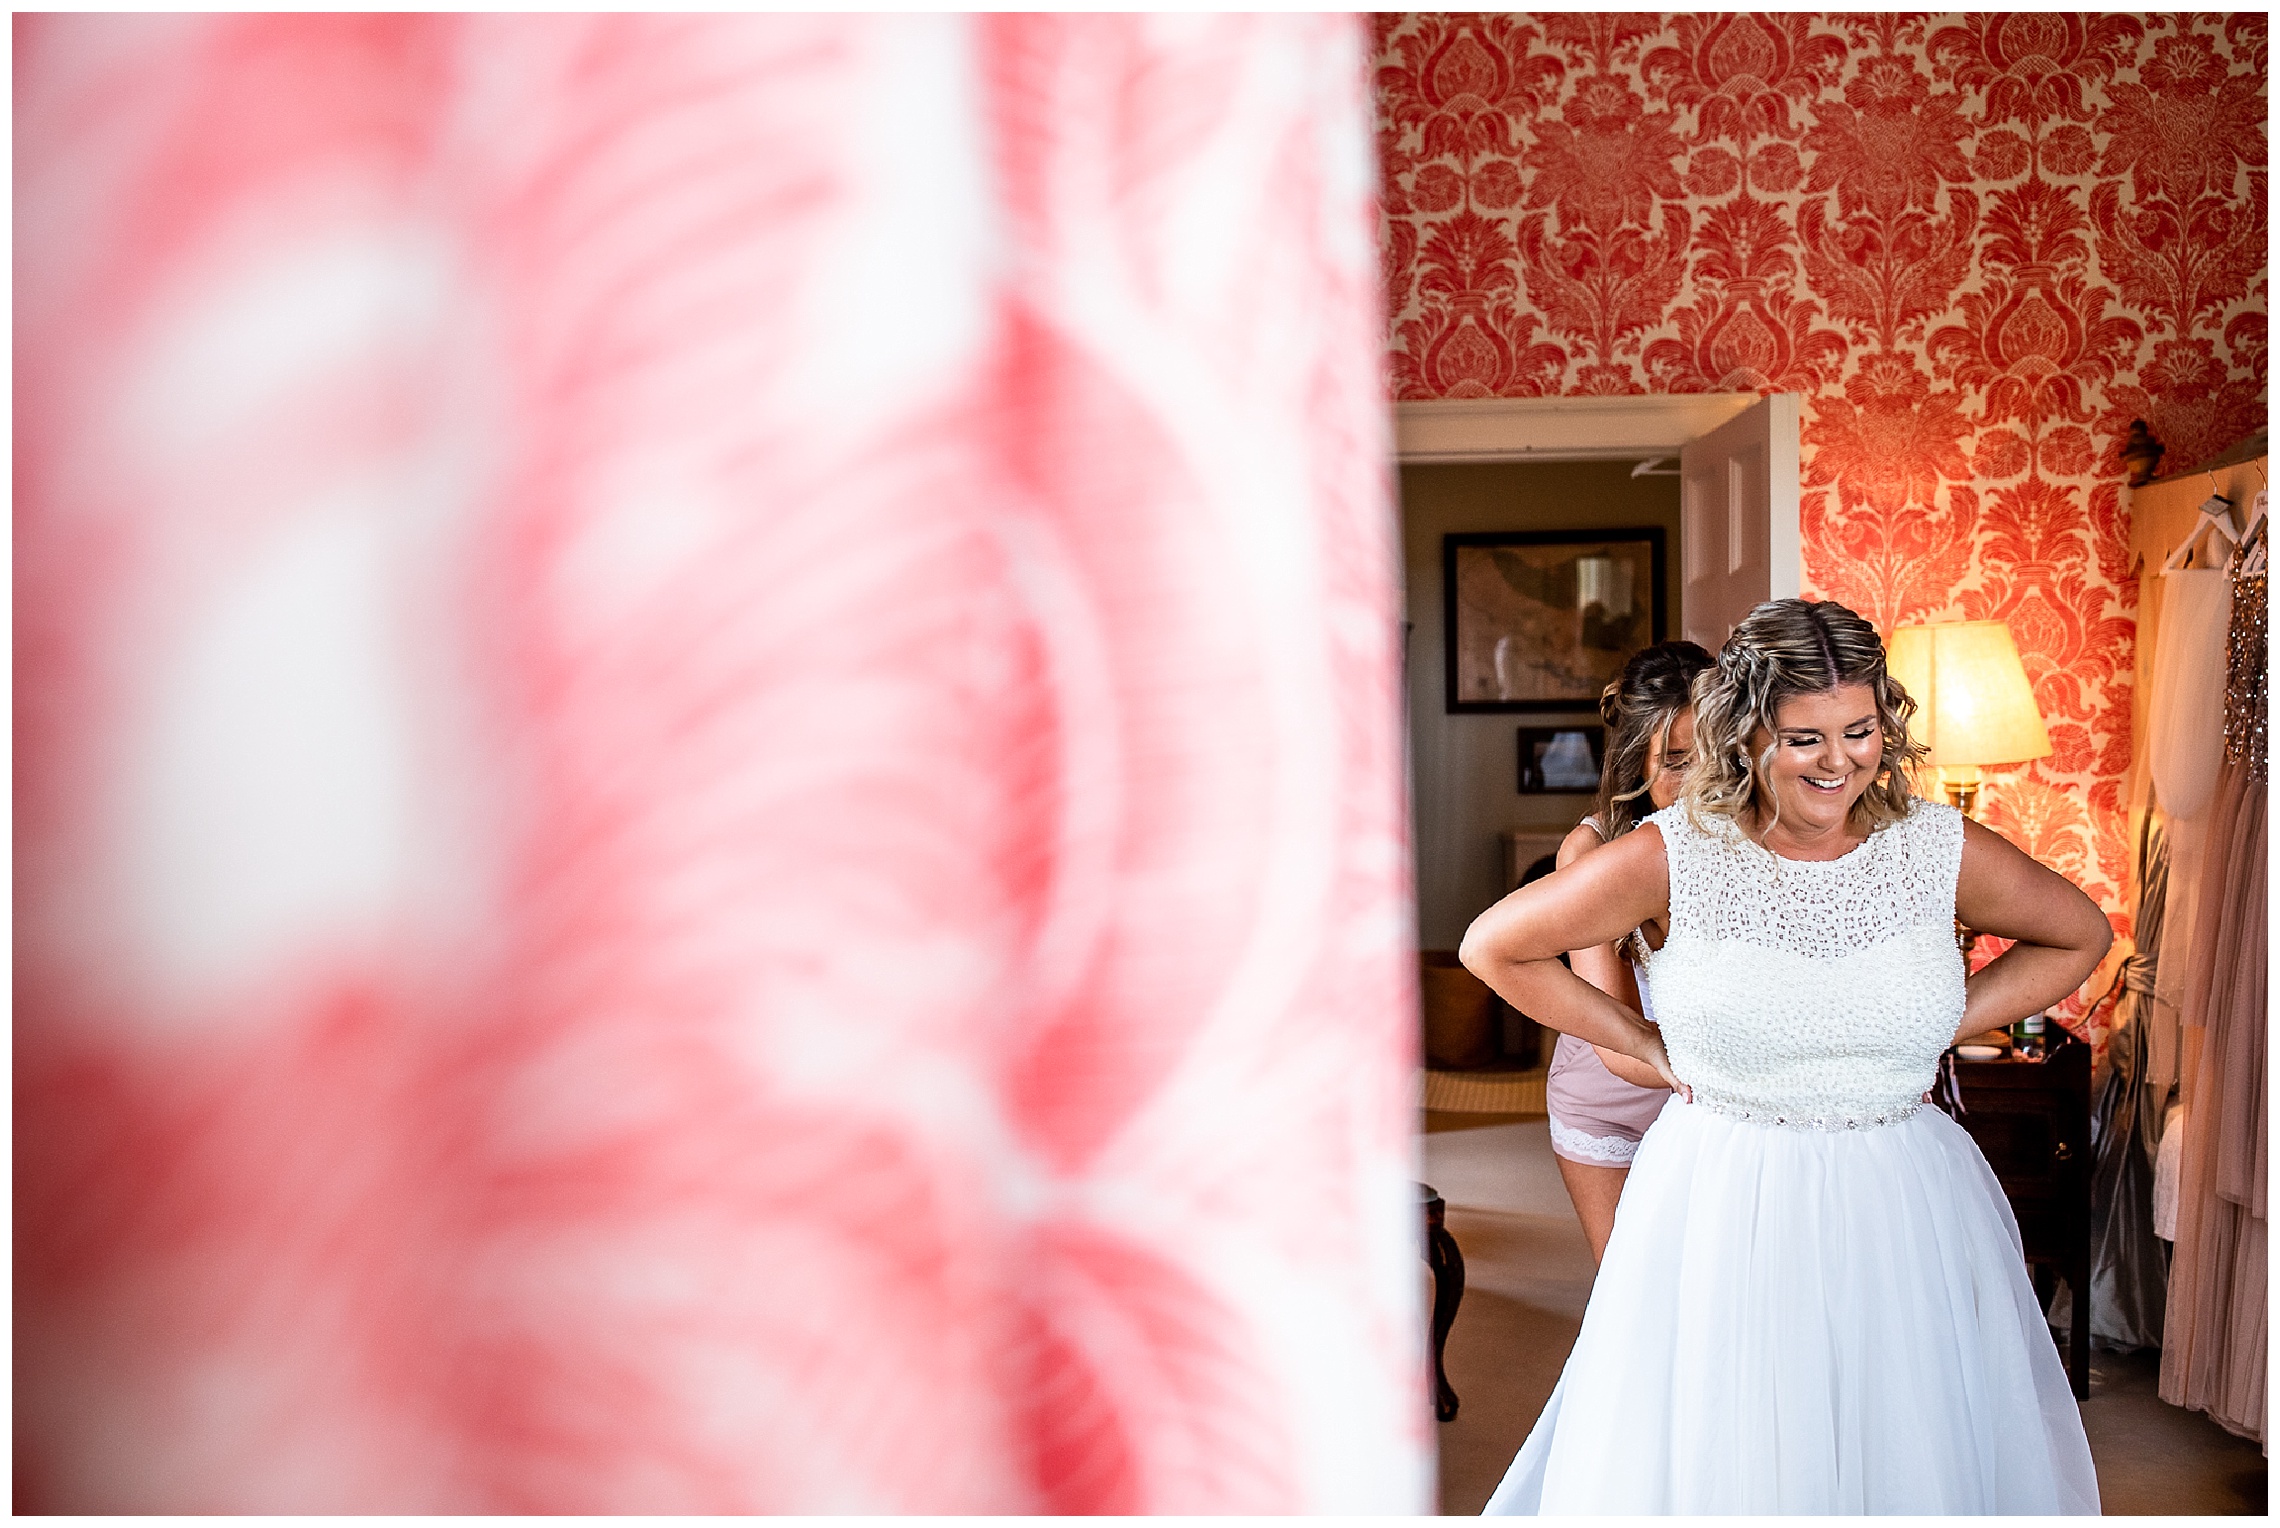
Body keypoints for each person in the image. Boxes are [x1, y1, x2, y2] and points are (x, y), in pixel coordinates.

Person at [1461, 598, 2107, 1515]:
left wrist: (1946, 1017)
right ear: (1746, 733)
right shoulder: (1672, 853)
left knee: (1905, 1444)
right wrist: (1639, 1039)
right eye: (1805, 738)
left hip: (1905, 1200)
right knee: (1735, 1454)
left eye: (1860, 730)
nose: (1839, 762)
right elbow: (1495, 945)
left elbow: (2080, 933)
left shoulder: (1932, 846)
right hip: (1726, 1198)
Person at [1544, 640, 1713, 1263]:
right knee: (1633, 1298)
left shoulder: (1765, 841)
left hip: (1717, 1117)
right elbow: (1617, 1044)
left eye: (1713, 755)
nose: (1699, 782)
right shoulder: (1589, 853)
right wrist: (1745, 1074)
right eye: (1674, 760)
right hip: (1613, 1105)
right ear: (1634, 762)